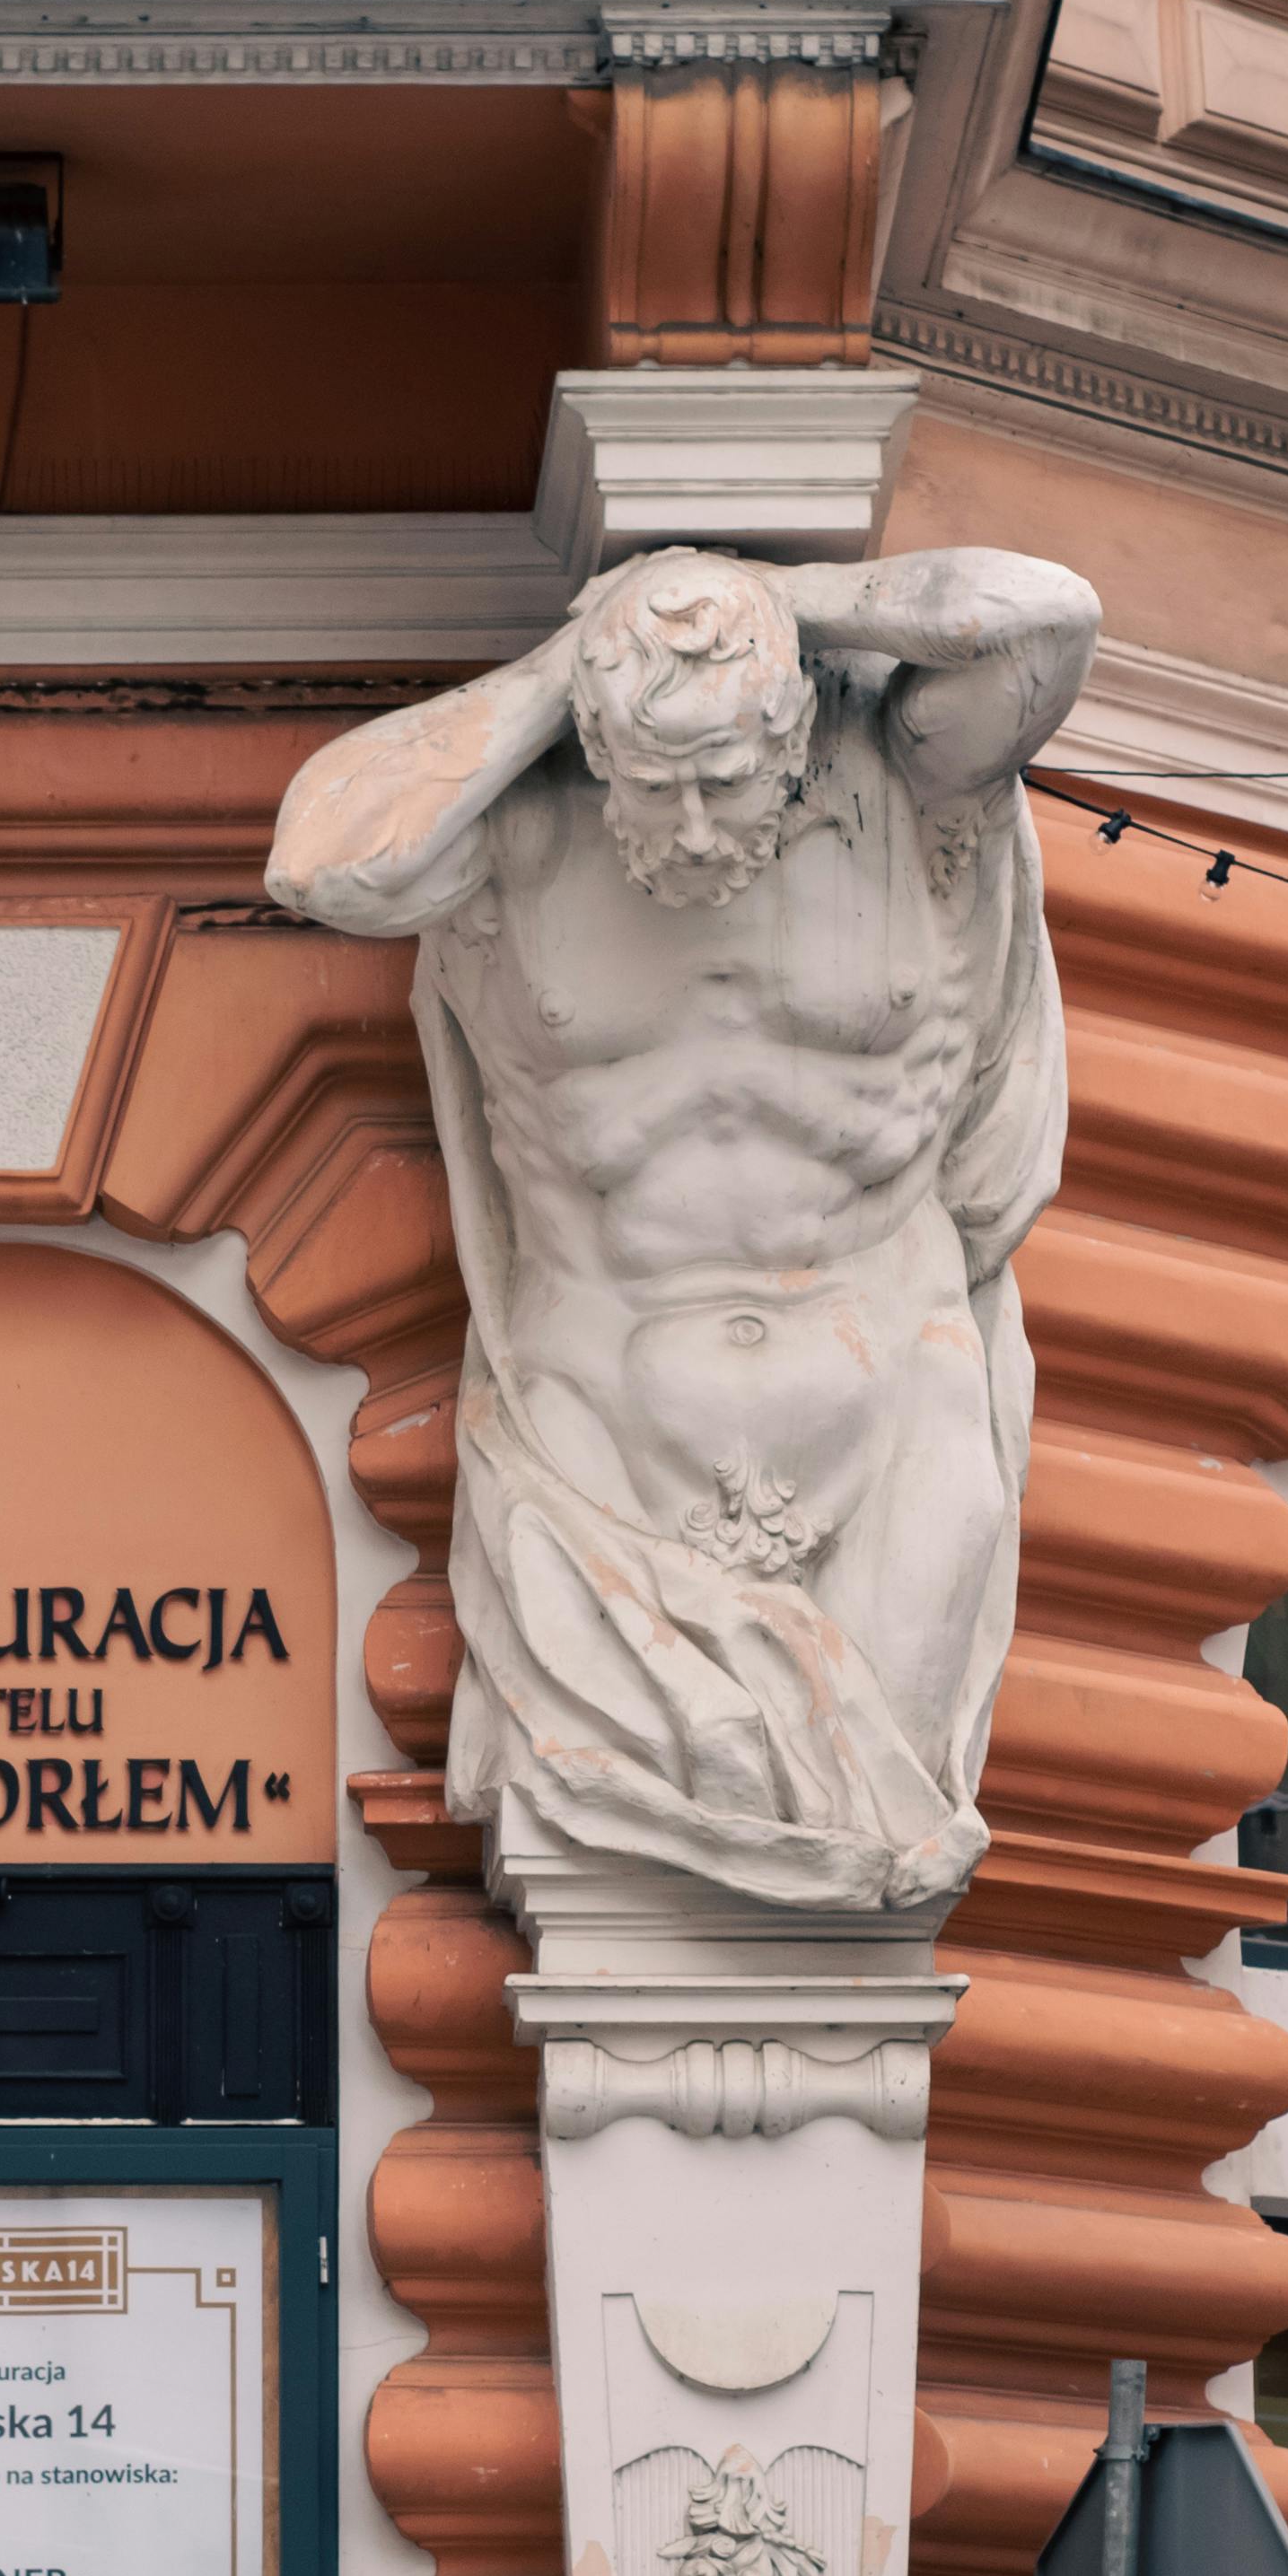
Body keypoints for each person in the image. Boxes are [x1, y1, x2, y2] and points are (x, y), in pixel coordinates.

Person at [265, 544, 1092, 1909]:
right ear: (597, 751)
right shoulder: (524, 833)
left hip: (894, 1404)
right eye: (656, 786)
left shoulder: (916, 791)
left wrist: (767, 603)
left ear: (792, 736)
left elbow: (1049, 618)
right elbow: (327, 863)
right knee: (658, 1891)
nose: (697, 828)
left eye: (726, 782)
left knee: (870, 1878)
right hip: (598, 1430)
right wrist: (575, 659)